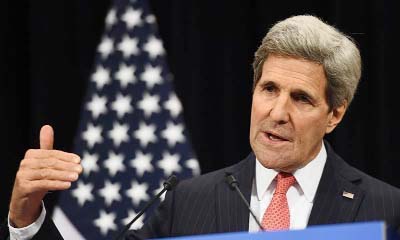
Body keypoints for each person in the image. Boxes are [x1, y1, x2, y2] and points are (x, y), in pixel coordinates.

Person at [4, 15, 400, 239]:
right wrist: (27, 218)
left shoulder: (387, 211)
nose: (277, 112)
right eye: (268, 89)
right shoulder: (186, 203)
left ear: (335, 114)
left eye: (301, 98)